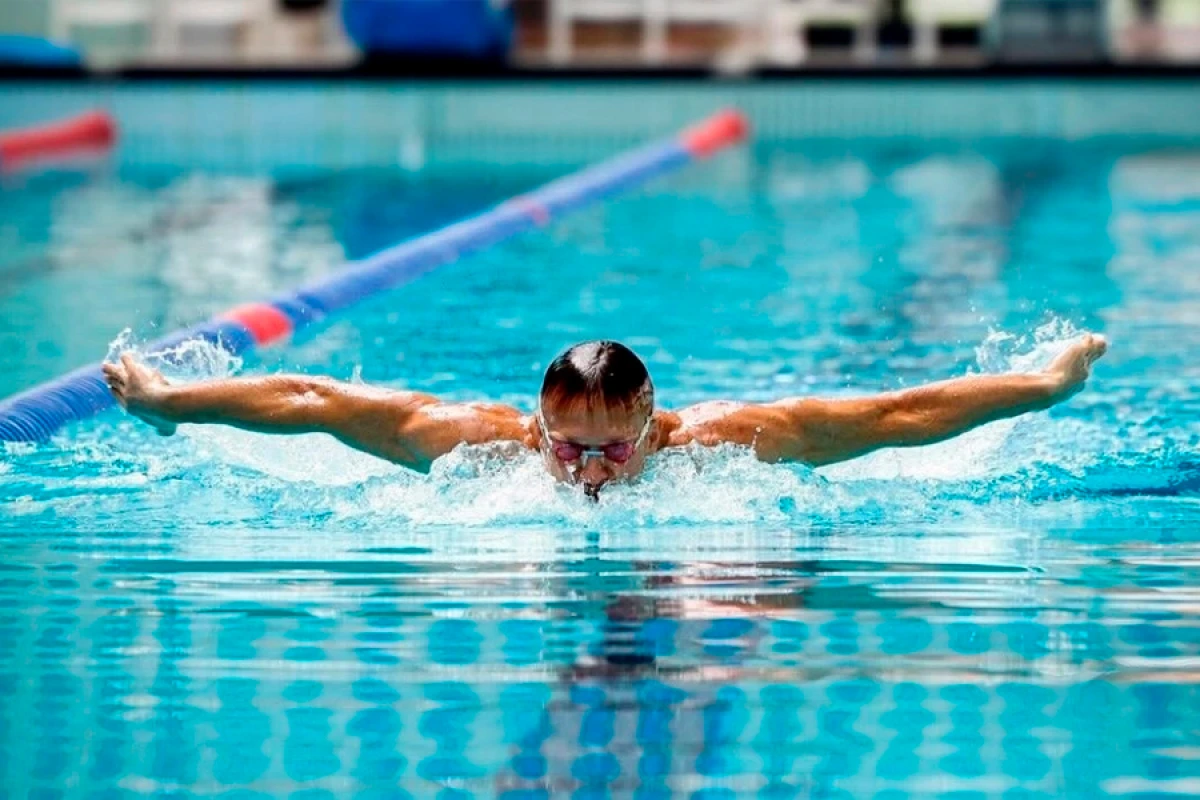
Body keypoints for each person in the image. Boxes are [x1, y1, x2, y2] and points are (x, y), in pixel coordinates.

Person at [103, 335, 1107, 500]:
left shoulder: (727, 442)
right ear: (536, 428)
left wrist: (1045, 384)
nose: (588, 473)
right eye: (568, 449)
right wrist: (167, 404)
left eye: (613, 449)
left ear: (655, 423)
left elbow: (897, 412)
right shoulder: (472, 443)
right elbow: (313, 401)